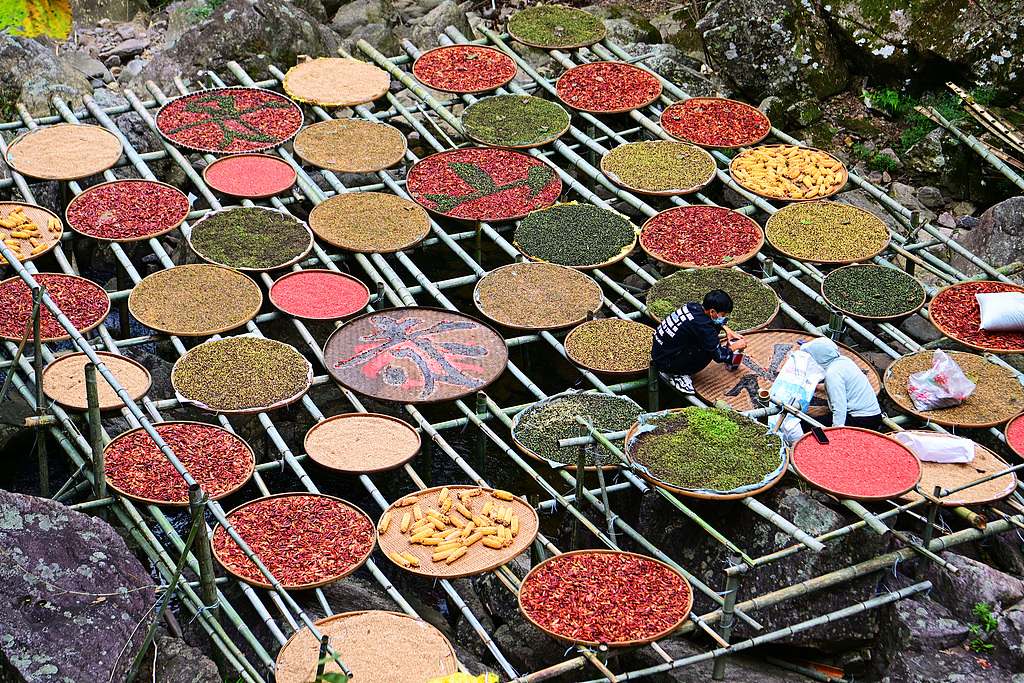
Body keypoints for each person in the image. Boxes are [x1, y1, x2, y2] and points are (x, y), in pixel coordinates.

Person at [651, 290, 747, 394]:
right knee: (707, 351)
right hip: (666, 363)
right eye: (722, 314)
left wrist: (727, 329)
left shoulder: (692, 306)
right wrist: (735, 347)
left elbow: (706, 326)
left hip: (658, 350)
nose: (723, 317)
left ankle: (679, 368)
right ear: (712, 312)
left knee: (710, 338)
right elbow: (719, 356)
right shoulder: (704, 327)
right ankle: (679, 375)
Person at [801, 337, 882, 430]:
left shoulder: (833, 374)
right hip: (874, 415)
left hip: (862, 420)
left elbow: (840, 407)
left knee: (806, 425)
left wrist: (836, 431)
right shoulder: (844, 360)